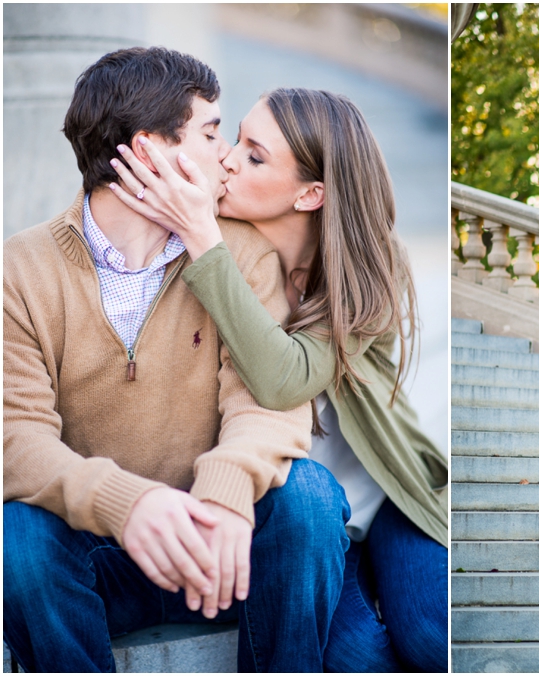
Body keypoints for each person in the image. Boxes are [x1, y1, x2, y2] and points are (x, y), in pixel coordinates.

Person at [3, 47, 351, 673]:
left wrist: (222, 496)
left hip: (226, 553)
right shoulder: (19, 270)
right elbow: (15, 436)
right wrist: (125, 503)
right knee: (17, 537)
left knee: (309, 498)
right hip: (99, 556)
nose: (225, 156)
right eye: (212, 132)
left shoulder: (235, 250)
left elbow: (269, 406)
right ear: (149, 151)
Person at [107, 87, 449, 671]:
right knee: (360, 660)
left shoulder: (366, 271)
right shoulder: (227, 249)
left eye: (255, 155)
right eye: (235, 138)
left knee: (429, 638)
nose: (230, 159)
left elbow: (284, 378)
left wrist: (203, 239)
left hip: (388, 498)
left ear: (311, 193)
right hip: (304, 518)